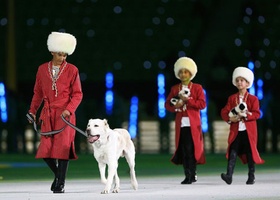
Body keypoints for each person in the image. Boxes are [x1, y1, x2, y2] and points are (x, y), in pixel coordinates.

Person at [28, 32, 83, 193]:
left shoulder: (72, 70)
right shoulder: (42, 69)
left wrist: (69, 109)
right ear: (52, 51)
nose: (63, 57)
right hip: (48, 114)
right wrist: (32, 112)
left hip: (65, 115)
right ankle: (59, 176)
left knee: (63, 148)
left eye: (65, 54)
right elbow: (38, 93)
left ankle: (60, 183)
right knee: (46, 150)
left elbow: (78, 94)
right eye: (60, 54)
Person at [165, 57, 206, 184]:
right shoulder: (174, 89)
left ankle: (191, 174)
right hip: (181, 124)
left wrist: (188, 100)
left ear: (191, 73)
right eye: (181, 72)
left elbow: (202, 104)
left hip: (193, 124)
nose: (183, 74)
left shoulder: (197, 88)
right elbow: (167, 105)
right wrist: (175, 105)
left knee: (191, 149)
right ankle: (189, 174)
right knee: (183, 149)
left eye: (186, 72)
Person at [220, 66, 264, 185]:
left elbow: (257, 113)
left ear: (247, 83)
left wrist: (247, 115)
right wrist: (230, 118)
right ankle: (229, 176)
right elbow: (224, 112)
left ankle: (251, 176)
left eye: (242, 80)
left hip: (249, 131)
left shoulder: (253, 99)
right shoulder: (232, 98)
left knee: (250, 152)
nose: (240, 82)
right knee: (233, 151)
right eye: (238, 80)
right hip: (236, 130)